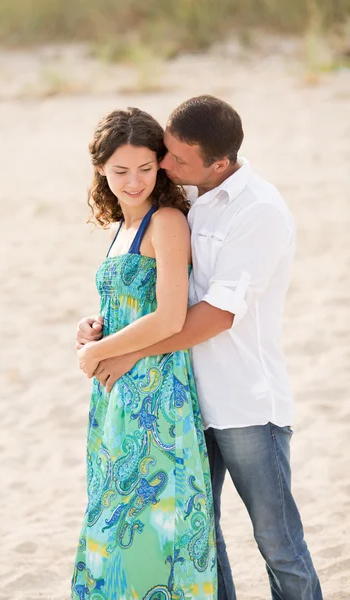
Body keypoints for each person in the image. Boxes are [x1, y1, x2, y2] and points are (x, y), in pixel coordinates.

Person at [77, 95, 323, 600]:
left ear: (220, 163)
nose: (163, 166)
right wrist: (104, 327)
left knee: (277, 543)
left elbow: (215, 314)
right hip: (185, 397)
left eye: (172, 160)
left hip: (243, 401)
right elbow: (157, 289)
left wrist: (126, 353)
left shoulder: (258, 212)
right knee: (199, 540)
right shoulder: (193, 199)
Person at [71, 107, 217, 600]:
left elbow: (171, 316)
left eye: (145, 168)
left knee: (148, 528)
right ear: (100, 171)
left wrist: (99, 355)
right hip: (118, 393)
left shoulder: (168, 221)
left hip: (156, 395)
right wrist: (94, 329)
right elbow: (132, 306)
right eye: (120, 171)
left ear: (160, 166)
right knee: (113, 521)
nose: (133, 182)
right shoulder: (122, 227)